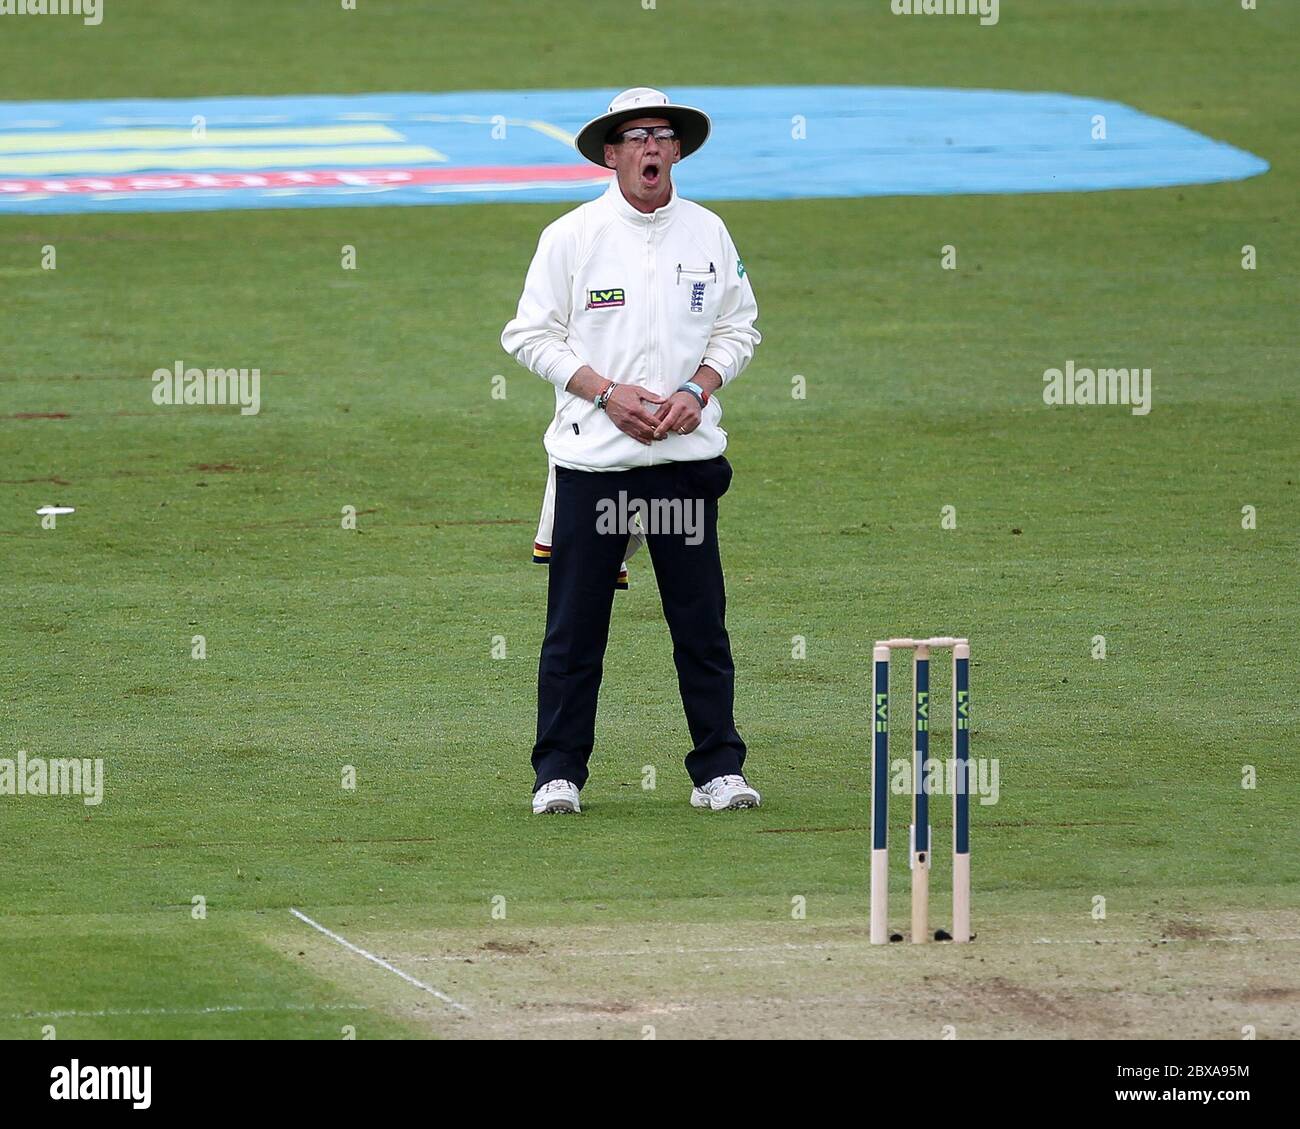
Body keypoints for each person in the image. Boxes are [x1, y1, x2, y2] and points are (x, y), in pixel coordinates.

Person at [501, 87, 762, 815]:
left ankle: (718, 770)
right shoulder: (573, 236)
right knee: (575, 631)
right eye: (636, 136)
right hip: (597, 468)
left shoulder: (708, 232)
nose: (651, 147)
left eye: (663, 135)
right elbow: (528, 334)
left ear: (677, 150)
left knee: (700, 623)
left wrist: (698, 389)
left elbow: (740, 329)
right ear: (611, 153)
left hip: (682, 469)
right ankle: (558, 774)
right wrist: (605, 392)